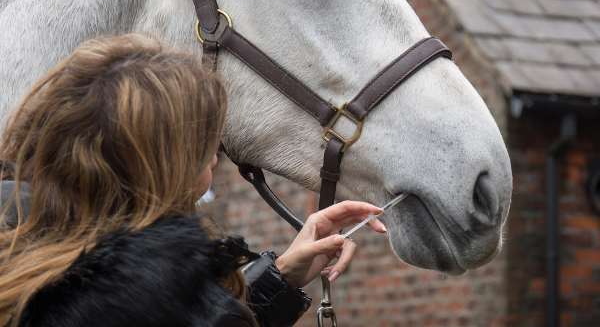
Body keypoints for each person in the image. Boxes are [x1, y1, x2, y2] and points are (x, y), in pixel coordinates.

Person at [0, 34, 386, 327]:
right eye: (205, 145)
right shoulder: (150, 303)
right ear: (165, 167)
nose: (215, 158)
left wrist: (280, 276)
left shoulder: (23, 246)